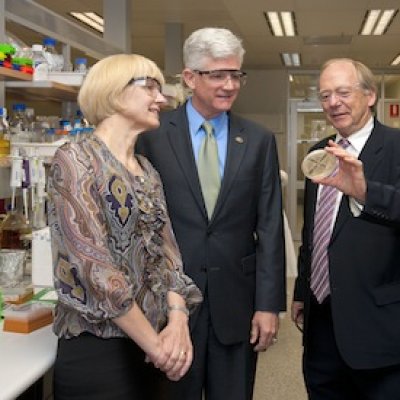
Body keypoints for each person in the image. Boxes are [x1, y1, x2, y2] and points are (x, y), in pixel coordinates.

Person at [136, 27, 286, 400]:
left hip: (236, 305)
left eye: (235, 74)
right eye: (217, 74)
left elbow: (269, 227)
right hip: (169, 309)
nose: (229, 85)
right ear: (189, 77)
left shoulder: (259, 140)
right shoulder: (152, 137)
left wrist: (269, 305)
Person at [47, 53, 202, 400]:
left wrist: (177, 322)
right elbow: (95, 269)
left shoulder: (146, 170)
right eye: (150, 87)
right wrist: (158, 346)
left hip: (151, 350)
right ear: (115, 92)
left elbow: (170, 257)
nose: (161, 99)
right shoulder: (75, 160)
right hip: (99, 353)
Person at [292, 58, 400, 400]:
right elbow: (313, 232)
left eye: (342, 92)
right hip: (321, 321)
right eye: (325, 95)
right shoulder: (318, 152)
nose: (333, 102)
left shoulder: (396, 147)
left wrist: (365, 192)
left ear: (370, 96)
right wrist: (301, 292)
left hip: (379, 328)